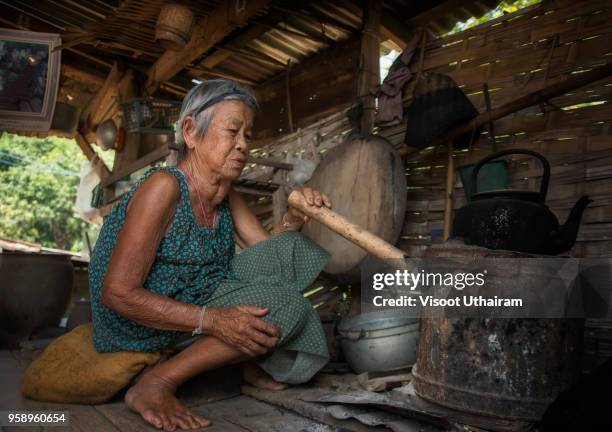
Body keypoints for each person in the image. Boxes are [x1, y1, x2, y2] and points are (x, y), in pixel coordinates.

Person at [88, 79, 332, 430]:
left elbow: (274, 261)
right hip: (136, 318)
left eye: (247, 135)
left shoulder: (226, 195)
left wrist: (292, 220)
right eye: (232, 131)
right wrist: (214, 320)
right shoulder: (164, 187)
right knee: (287, 306)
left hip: (193, 301)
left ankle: (238, 362)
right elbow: (117, 294)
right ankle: (156, 382)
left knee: (288, 275)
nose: (243, 145)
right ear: (190, 131)